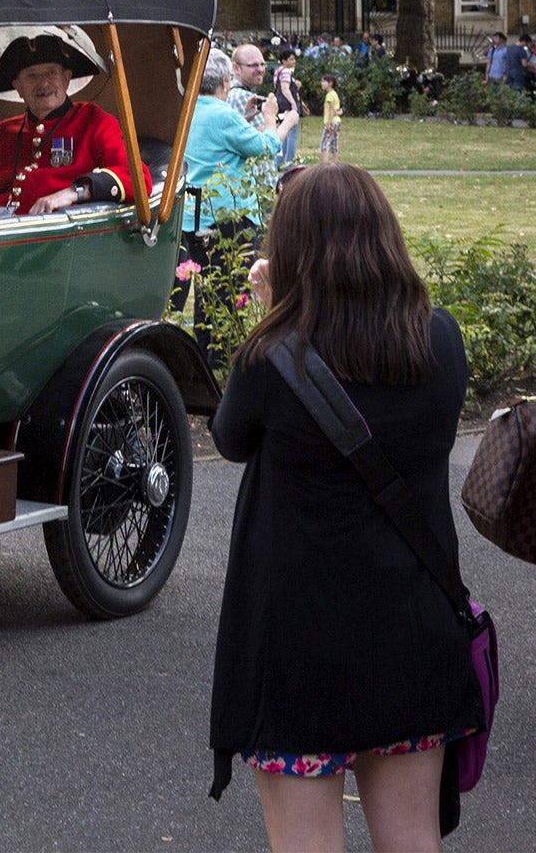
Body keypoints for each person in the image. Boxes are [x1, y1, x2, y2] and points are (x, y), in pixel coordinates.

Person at [208, 163, 486, 850]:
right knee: (412, 839)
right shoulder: (441, 340)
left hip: (301, 648)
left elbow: (228, 438)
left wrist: (272, 314)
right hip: (414, 634)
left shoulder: (272, 359)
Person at [178, 54, 294, 361]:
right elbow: (265, 149)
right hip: (227, 219)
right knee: (226, 297)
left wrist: (243, 118)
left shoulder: (188, 111)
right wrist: (272, 118)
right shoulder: (221, 112)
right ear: (227, 81)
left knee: (207, 294)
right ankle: (220, 365)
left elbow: (216, 144)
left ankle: (207, 361)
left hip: (192, 216)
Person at [0, 33, 145, 218]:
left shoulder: (93, 121)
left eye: (51, 73)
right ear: (19, 88)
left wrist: (75, 192)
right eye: (32, 76)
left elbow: (138, 179)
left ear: (66, 79)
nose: (44, 83)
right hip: (0, 237)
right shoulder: (2, 134)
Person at [270, 44, 301, 166]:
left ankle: (278, 161)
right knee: (292, 134)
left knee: (282, 131)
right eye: (291, 59)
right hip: (288, 105)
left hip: (280, 105)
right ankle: (289, 161)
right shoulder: (286, 72)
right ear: (284, 61)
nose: (294, 62)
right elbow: (285, 88)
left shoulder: (278, 71)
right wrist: (294, 103)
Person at [227, 43, 268, 120]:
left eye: (262, 64)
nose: (261, 70)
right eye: (254, 65)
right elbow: (264, 131)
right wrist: (289, 120)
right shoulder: (242, 96)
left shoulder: (230, 91)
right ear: (236, 68)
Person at [318, 72, 343, 164]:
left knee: (325, 143)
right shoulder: (334, 94)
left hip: (331, 122)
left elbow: (331, 110)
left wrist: (329, 123)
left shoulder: (329, 95)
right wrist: (339, 113)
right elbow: (337, 110)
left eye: (324, 81)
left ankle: (325, 162)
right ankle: (335, 161)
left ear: (330, 83)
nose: (322, 83)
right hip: (337, 122)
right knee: (334, 142)